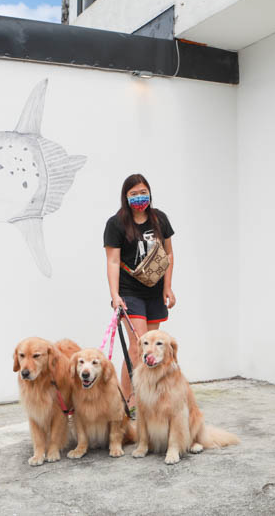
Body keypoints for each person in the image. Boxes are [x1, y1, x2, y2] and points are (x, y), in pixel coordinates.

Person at [103, 173, 175, 409]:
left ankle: (149, 397)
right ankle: (128, 399)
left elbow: (168, 254)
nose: (139, 197)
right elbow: (113, 261)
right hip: (129, 292)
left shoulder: (159, 219)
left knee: (152, 347)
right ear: (125, 197)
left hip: (154, 293)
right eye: (134, 194)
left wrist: (167, 287)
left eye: (143, 192)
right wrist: (115, 296)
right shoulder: (116, 224)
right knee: (137, 347)